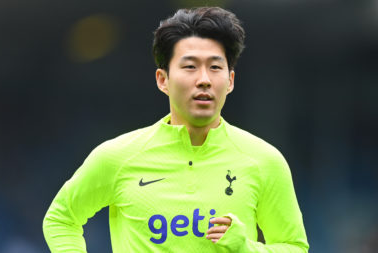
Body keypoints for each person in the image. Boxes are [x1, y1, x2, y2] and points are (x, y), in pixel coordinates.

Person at [43, 7, 309, 252]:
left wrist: (246, 248)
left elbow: (295, 247)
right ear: (163, 80)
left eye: (215, 67)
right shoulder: (117, 157)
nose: (204, 80)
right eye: (190, 66)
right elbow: (61, 219)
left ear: (230, 81)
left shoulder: (265, 161)